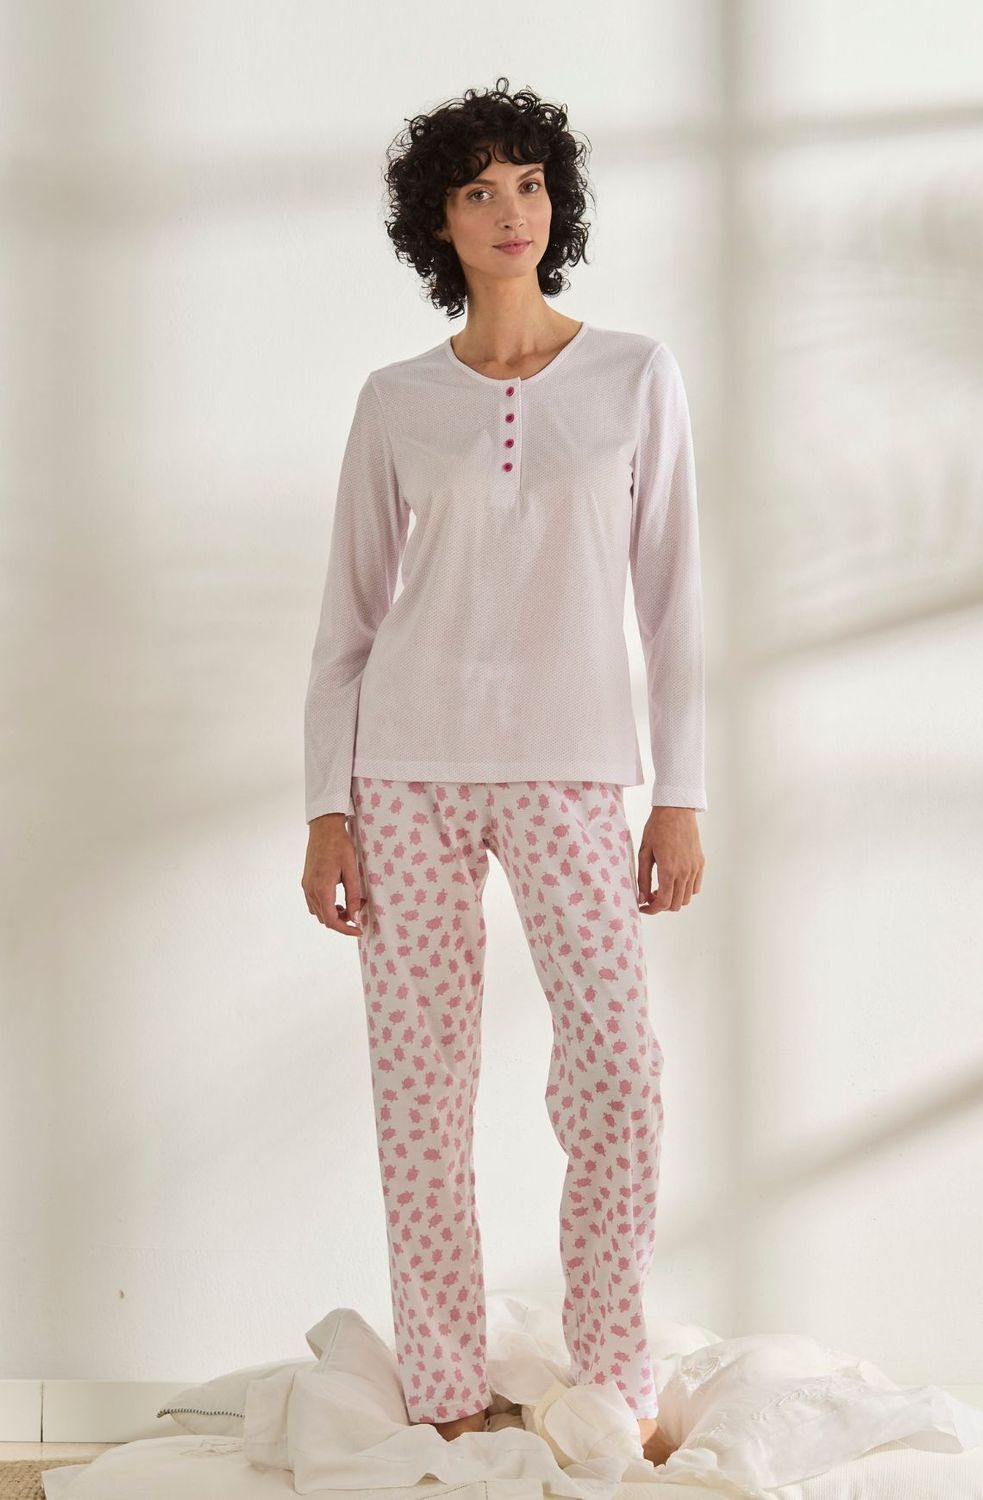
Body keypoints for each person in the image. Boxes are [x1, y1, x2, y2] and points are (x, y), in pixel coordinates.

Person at [300, 77, 706, 1467]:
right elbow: (348, 623)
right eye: (476, 190)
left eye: (528, 182)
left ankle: (616, 1365)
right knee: (421, 1084)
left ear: (557, 203)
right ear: (440, 223)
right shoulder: (398, 402)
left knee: (619, 1071)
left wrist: (680, 793)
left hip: (574, 769)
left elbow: (675, 602)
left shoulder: (635, 376)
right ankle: (442, 1379)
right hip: (406, 769)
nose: (508, 210)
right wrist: (328, 808)